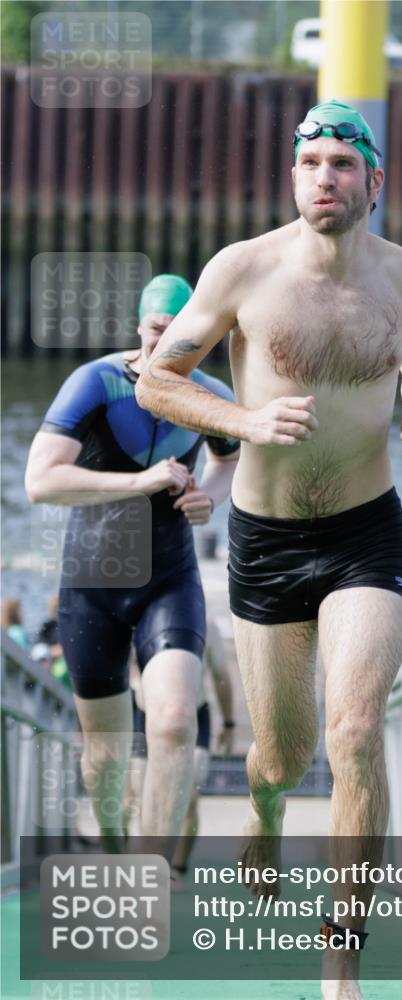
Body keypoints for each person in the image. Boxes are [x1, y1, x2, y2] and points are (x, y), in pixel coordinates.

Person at [136, 102, 402, 999]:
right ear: (291, 178)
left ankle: (340, 956)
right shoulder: (243, 269)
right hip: (267, 541)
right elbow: (157, 380)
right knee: (280, 756)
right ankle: (266, 810)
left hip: (366, 532)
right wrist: (243, 421)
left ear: (373, 182)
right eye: (310, 163)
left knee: (353, 730)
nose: (324, 177)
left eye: (342, 164)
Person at [25, 274, 240, 853]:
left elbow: (229, 459)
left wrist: (210, 497)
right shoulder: (96, 382)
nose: (163, 345)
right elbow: (40, 481)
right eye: (154, 331)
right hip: (92, 584)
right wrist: (139, 482)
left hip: (169, 578)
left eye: (179, 334)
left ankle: (151, 868)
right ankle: (116, 845)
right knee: (106, 756)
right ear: (138, 327)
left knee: (174, 720)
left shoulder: (209, 395)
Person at [126, 616, 236, 880]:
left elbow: (221, 675)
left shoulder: (208, 625)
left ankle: (177, 867)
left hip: (192, 714)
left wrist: (229, 723)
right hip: (146, 713)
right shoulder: (137, 616)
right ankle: (151, 863)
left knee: (188, 796)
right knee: (143, 797)